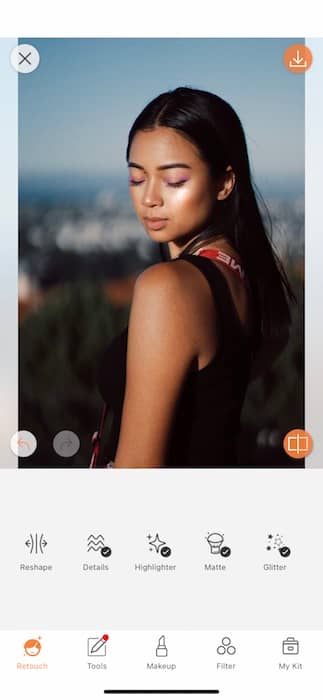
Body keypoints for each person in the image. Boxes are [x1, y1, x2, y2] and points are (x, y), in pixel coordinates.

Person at [97, 86, 295, 468]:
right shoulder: (243, 276)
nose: (149, 197)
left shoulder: (168, 288)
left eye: (173, 181)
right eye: (137, 178)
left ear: (225, 182)